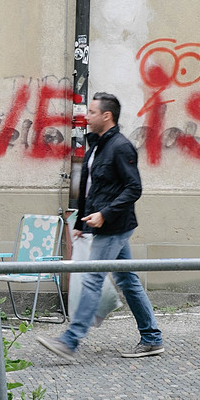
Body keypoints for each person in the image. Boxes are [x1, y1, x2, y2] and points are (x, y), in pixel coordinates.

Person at [39, 92, 164, 359]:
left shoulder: (120, 147)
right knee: (128, 281)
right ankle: (152, 337)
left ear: (106, 116)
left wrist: (104, 215)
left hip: (114, 226)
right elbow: (91, 185)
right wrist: (83, 219)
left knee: (93, 278)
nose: (88, 116)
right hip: (101, 223)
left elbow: (134, 188)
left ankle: (70, 341)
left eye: (93, 112)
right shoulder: (97, 144)